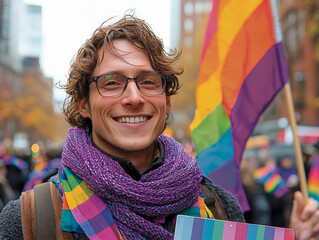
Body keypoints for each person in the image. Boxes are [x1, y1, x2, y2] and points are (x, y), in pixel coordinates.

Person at [0, 14, 244, 240]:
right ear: (84, 104)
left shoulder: (220, 208)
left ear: (167, 101)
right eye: (112, 83)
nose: (134, 97)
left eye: (148, 82)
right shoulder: (29, 219)